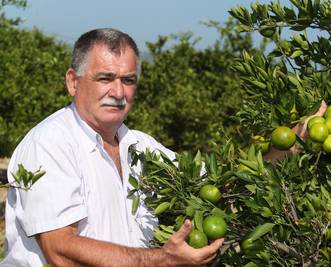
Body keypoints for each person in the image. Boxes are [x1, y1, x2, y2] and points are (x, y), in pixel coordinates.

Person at [1, 28, 223, 266]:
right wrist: (162, 260)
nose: (118, 92)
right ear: (73, 82)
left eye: (128, 80)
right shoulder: (49, 145)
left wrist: (266, 162)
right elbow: (61, 252)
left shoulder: (141, 146)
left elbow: (210, 180)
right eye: (105, 78)